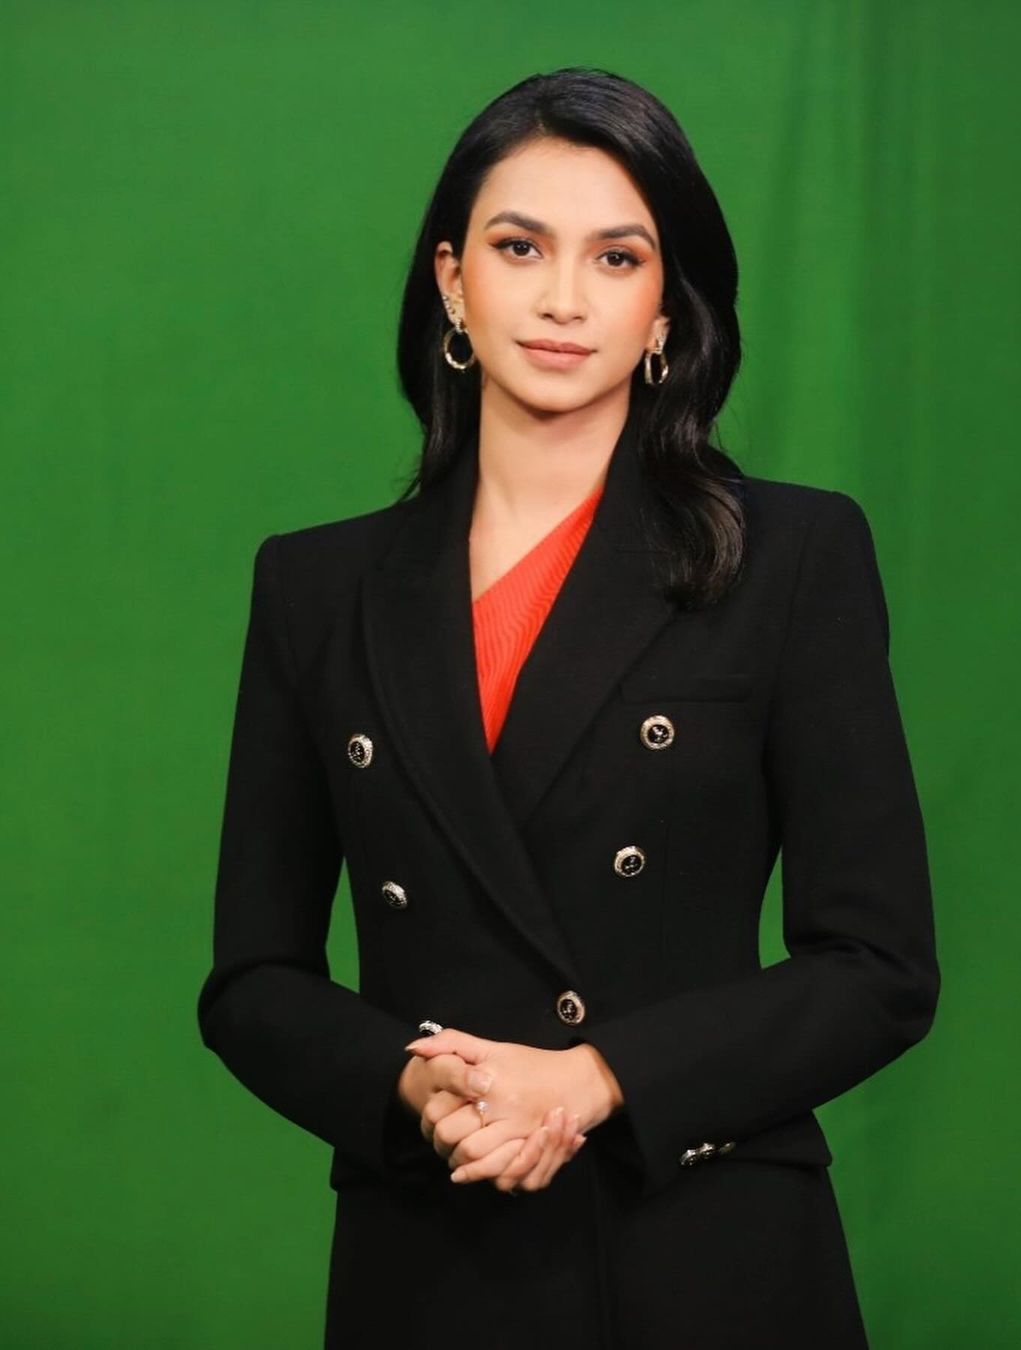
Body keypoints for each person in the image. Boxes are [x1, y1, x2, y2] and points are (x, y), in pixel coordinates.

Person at [197, 67, 940, 1349]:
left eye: (617, 257)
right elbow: (253, 981)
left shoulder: (793, 558)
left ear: (666, 309)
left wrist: (599, 1079)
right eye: (519, 246)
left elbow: (878, 969)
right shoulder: (316, 587)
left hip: (705, 1250)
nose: (561, 299)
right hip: (430, 1253)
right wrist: (413, 1083)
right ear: (451, 281)